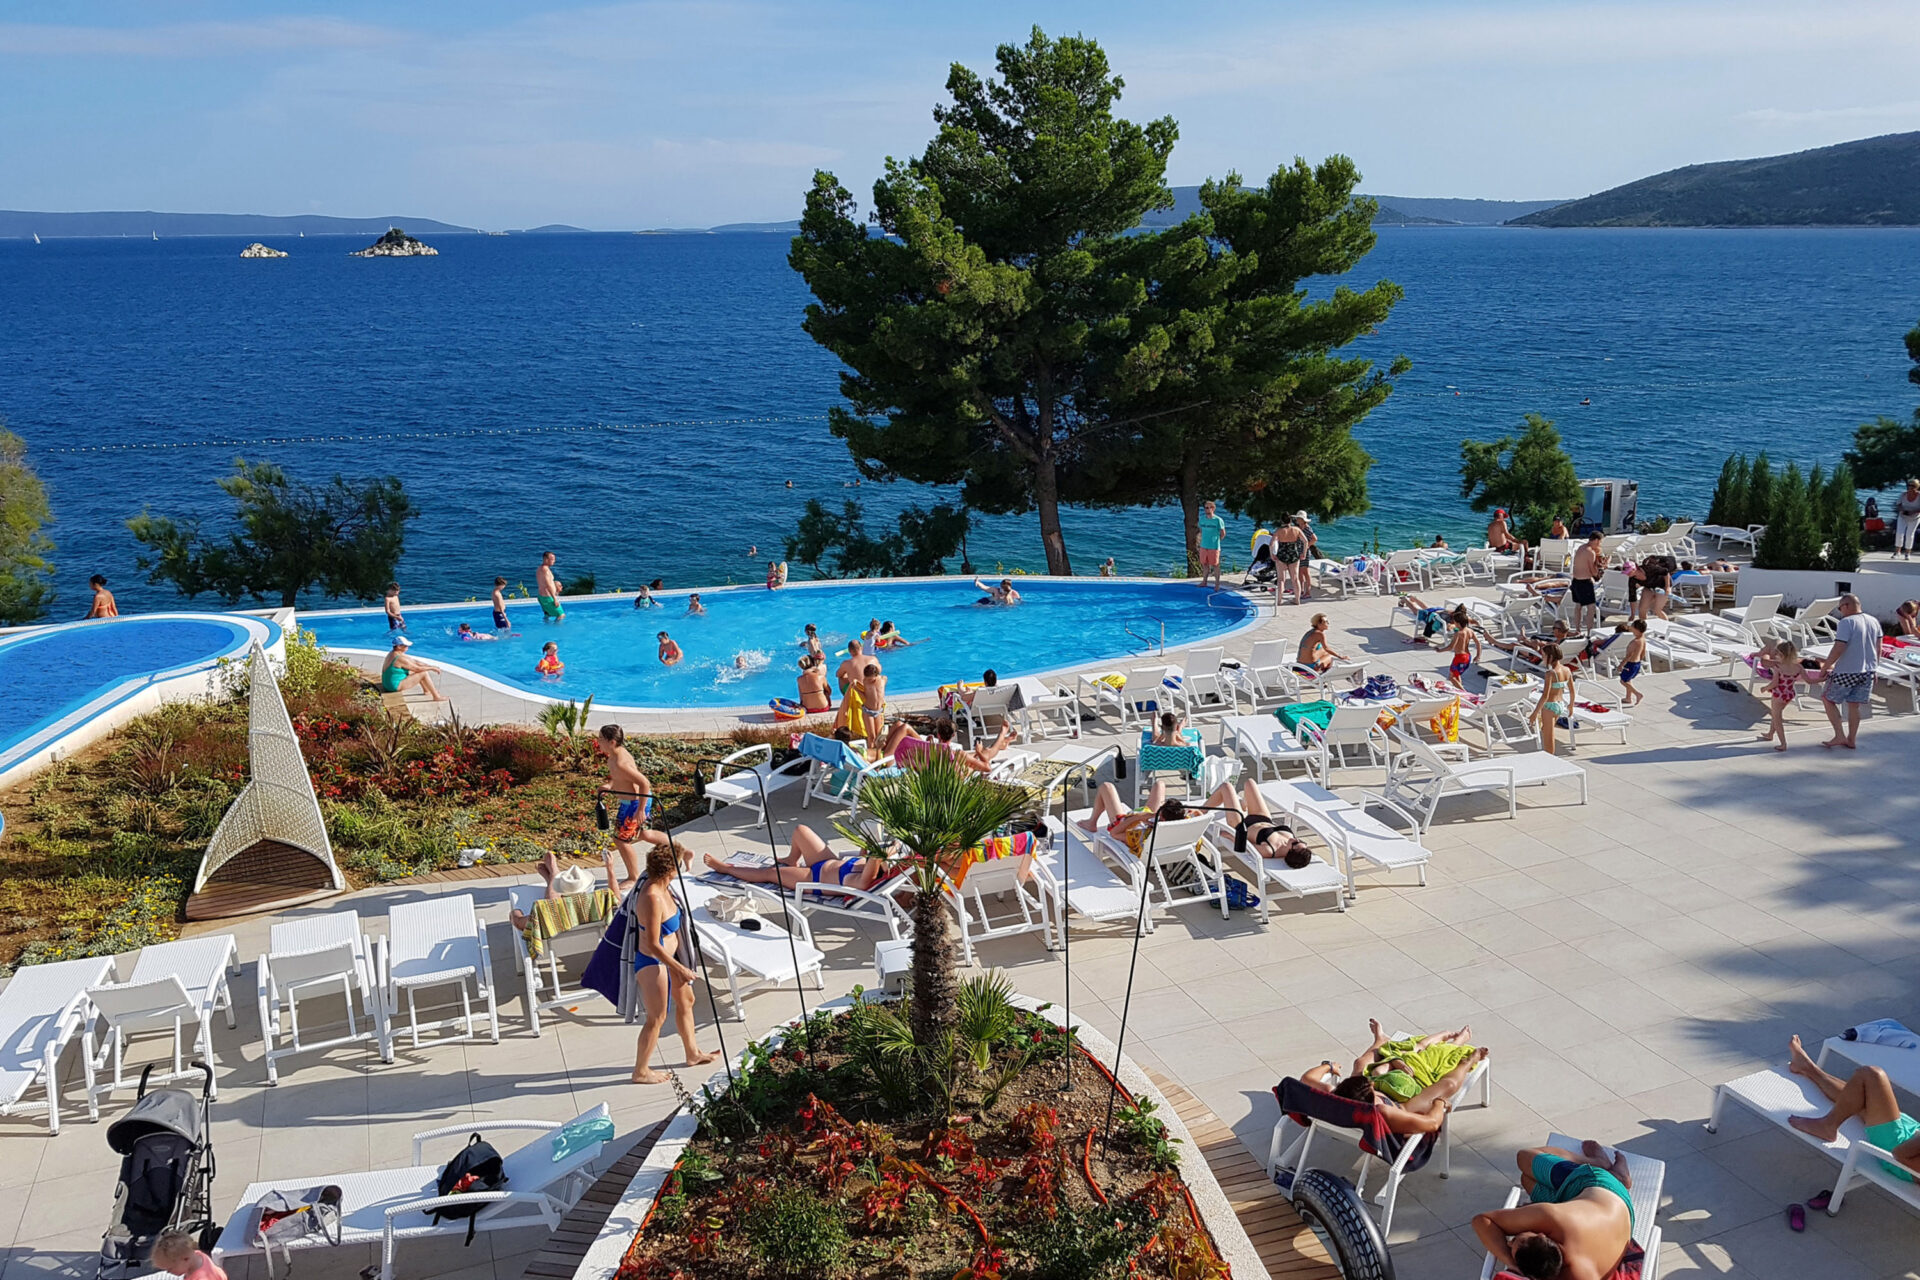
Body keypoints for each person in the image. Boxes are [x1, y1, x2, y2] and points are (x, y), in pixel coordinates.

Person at [1473, 1140, 1634, 1280]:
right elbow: (1483, 1220)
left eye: (1513, 1240)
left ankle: (1605, 1169)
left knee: (1525, 1168)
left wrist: (1511, 1263)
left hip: (1609, 1198)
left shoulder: (1551, 1218)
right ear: (1541, 1234)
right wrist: (1512, 1262)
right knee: (1525, 1168)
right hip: (1606, 1195)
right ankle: (1608, 1170)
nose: (1509, 1242)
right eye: (1516, 1240)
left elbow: (1483, 1220)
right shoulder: (1552, 1218)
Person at [629, 840, 719, 1084]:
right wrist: (680, 968)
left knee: (687, 1001)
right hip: (653, 962)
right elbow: (653, 944)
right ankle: (641, 1071)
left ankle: (692, 1053)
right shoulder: (652, 897)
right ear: (670, 870)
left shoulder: (665, 886)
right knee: (657, 1018)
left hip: (669, 959)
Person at [1784, 1033, 1920, 1181]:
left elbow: (1899, 1155)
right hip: (1912, 1133)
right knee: (1860, 1095)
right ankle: (1806, 1066)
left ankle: (1828, 1125)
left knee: (1871, 1075)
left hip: (1896, 1146)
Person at [704, 823, 895, 894]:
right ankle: (791, 859)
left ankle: (725, 868)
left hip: (813, 878)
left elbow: (868, 871)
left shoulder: (863, 880)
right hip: (825, 861)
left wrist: (879, 855)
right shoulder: (866, 864)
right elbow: (866, 856)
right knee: (800, 830)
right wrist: (871, 839)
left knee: (770, 873)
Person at [594, 724, 673, 881]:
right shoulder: (614, 755)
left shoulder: (621, 762)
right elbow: (620, 778)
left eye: (601, 738)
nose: (598, 741)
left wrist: (641, 810)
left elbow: (644, 783)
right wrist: (609, 785)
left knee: (621, 840)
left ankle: (633, 877)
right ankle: (678, 850)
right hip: (631, 803)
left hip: (634, 804)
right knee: (644, 834)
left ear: (612, 742)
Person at [1201, 776, 1313, 867]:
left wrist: (1229, 835)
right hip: (1263, 818)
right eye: (1300, 841)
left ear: (1290, 852)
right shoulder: (1290, 841)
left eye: (1295, 843)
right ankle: (1244, 804)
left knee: (1226, 787)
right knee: (1250, 783)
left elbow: (1246, 846)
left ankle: (1201, 812)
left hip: (1240, 825)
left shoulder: (1269, 850)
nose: (1295, 839)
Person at [509, 848, 623, 930]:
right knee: (552, 904)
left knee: (552, 904)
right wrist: (610, 868)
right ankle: (552, 875)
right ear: (586, 888)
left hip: (557, 944)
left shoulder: (548, 911)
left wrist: (515, 913)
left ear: (561, 893)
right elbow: (616, 899)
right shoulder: (598, 903)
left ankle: (553, 875)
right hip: (593, 941)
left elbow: (519, 923)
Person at [1820, 593, 1878, 749]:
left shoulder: (1846, 622)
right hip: (1868, 671)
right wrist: (1875, 668)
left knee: (1827, 699)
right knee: (1854, 705)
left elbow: (1839, 647)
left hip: (1847, 670)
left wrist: (1825, 667)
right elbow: (1878, 648)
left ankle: (1839, 735)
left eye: (1840, 608)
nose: (1840, 612)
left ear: (1846, 606)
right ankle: (1851, 739)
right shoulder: (1873, 621)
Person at [1755, 637, 1808, 750]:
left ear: (1782, 655)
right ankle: (1770, 734)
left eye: (1777, 654)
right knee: (1776, 714)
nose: (1776, 656)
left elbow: (1775, 683)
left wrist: (1765, 688)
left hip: (1778, 695)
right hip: (1789, 694)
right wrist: (1822, 678)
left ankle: (1783, 744)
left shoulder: (1778, 667)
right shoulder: (1798, 667)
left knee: (1777, 719)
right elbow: (1809, 680)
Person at [927, 718, 1020, 773]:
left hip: (952, 768)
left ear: (938, 735)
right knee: (986, 752)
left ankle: (1003, 742)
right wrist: (979, 752)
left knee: (976, 754)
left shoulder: (931, 749)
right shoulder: (957, 754)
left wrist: (929, 743)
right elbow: (987, 768)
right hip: (963, 773)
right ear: (953, 735)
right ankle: (1002, 735)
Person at [1533, 643, 1572, 754]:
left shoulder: (1550, 673)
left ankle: (1550, 759)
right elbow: (1572, 691)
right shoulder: (1567, 670)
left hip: (1549, 706)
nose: (1542, 658)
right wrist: (1571, 705)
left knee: (1548, 738)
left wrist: (1535, 713)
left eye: (1544, 655)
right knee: (1545, 730)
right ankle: (1549, 756)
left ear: (1550, 656)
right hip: (1560, 705)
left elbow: (1545, 696)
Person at [379, 636, 444, 701]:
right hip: (393, 686)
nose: (408, 647)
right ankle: (436, 696)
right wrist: (432, 668)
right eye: (406, 646)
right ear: (399, 646)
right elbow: (417, 669)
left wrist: (430, 666)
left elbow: (414, 662)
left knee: (418, 672)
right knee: (423, 673)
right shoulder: (400, 658)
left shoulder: (393, 653)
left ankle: (426, 691)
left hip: (387, 684)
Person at [151, 1228, 227, 1280]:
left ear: (185, 1259)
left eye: (170, 1269)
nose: (168, 1272)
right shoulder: (196, 1255)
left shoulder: (202, 1277)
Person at [1569, 532, 1603, 632]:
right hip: (1585, 582)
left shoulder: (1581, 548)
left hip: (1575, 581)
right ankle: (1589, 631)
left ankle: (1577, 629)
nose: (1600, 544)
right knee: (1591, 608)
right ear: (1596, 540)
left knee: (1578, 606)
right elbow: (1593, 572)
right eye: (1600, 542)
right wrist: (1600, 567)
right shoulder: (1590, 552)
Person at [1270, 518, 1308, 602]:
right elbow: (1305, 541)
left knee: (1281, 579)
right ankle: (1297, 600)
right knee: (1295, 579)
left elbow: (1271, 544)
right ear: (1290, 521)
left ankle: (1279, 600)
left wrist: (1272, 554)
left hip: (1282, 555)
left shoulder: (1279, 531)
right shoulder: (1296, 529)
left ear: (1282, 521)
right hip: (1294, 555)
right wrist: (1304, 553)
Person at [1446, 606, 1482, 688]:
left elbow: (1450, 646)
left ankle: (1463, 692)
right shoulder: (1470, 630)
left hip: (1460, 657)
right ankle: (1459, 691)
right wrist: (1478, 656)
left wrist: (1440, 650)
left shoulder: (1458, 632)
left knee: (1452, 677)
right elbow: (1478, 643)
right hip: (1467, 657)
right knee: (1456, 675)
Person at [1196, 499, 1227, 589]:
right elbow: (1201, 530)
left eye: (1209, 507)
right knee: (1204, 564)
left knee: (1215, 565)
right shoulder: (1202, 519)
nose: (1207, 509)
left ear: (1213, 508)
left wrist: (1217, 541)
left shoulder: (1218, 520)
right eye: (1206, 508)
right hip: (1203, 546)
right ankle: (1204, 581)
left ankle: (1217, 584)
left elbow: (1223, 533)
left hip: (1214, 547)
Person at [1618, 620, 1647, 706]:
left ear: (1637, 629)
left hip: (1631, 664)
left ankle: (1637, 694)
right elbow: (1643, 651)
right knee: (1628, 680)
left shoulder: (1635, 642)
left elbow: (1629, 656)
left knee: (1623, 681)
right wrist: (1640, 660)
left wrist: (1621, 665)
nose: (1631, 628)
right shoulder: (1642, 639)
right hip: (1637, 663)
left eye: (1632, 627)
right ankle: (1628, 698)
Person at [535, 552, 565, 622]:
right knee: (561, 615)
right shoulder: (545, 570)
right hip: (547, 597)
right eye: (552, 559)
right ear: (546, 559)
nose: (554, 561)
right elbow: (548, 585)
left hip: (542, 596)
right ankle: (555, 628)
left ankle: (546, 627)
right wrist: (554, 598)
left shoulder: (540, 568)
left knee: (547, 615)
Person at [1895, 479, 1920, 560]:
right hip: (1903, 516)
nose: (1910, 488)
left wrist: (1913, 512)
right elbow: (1898, 505)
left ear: (1917, 487)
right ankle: (1897, 552)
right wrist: (1902, 510)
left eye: (1913, 486)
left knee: (1910, 535)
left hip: (1915, 518)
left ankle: (1907, 553)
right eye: (1909, 486)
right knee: (1899, 533)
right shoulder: (1903, 495)